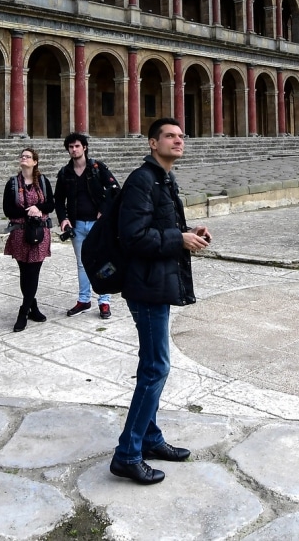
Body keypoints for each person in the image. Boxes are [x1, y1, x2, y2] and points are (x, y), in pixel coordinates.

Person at [110, 117, 211, 485]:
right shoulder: (142, 179)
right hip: (147, 287)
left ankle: (150, 438)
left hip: (159, 283)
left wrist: (188, 233)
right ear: (153, 143)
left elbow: (161, 229)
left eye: (181, 136)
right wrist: (178, 239)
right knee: (156, 368)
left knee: (152, 366)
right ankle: (128, 453)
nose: (178, 140)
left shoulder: (164, 179)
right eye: (170, 136)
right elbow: (132, 237)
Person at [55, 132, 120, 319]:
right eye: (70, 147)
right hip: (76, 226)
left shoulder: (97, 168)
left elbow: (115, 190)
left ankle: (104, 301)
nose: (74, 149)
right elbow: (59, 200)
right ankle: (84, 299)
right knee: (82, 263)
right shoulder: (65, 173)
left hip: (98, 225)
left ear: (84, 147)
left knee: (104, 262)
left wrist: (104, 210)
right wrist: (63, 219)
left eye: (77, 146)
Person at [2, 148, 54, 332]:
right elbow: (8, 209)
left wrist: (38, 208)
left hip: (40, 233)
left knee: (34, 272)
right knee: (25, 272)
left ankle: (23, 312)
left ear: (35, 162)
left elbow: (51, 205)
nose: (24, 158)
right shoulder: (13, 183)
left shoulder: (43, 182)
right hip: (19, 233)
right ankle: (33, 307)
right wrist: (28, 211)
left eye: (28, 157)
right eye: (22, 156)